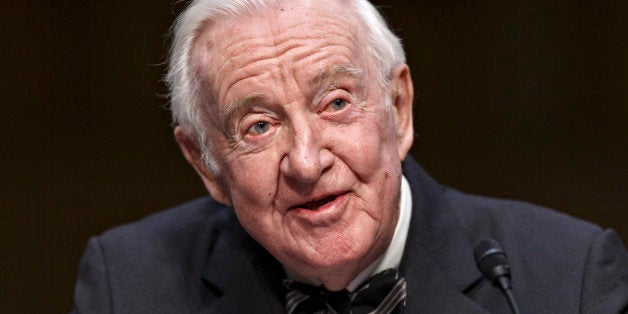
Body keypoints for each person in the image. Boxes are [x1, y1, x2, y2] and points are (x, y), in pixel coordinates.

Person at [72, 0, 628, 313]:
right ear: (204, 162)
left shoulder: (567, 278)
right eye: (259, 126)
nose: (307, 162)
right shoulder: (128, 285)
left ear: (399, 109)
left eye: (335, 103)